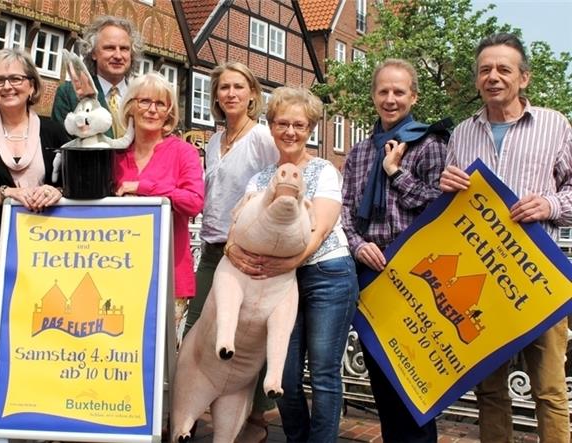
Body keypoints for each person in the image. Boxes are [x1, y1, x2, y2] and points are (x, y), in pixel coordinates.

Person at [439, 33, 572, 443]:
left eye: (503, 69)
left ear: (524, 78)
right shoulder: (462, 132)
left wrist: (548, 205)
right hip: (479, 280)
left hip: (538, 280)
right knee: (490, 389)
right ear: (477, 79)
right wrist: (445, 186)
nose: (493, 77)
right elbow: (448, 207)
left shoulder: (555, 124)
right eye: (485, 70)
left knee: (549, 390)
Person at [227, 86, 358, 442]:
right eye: (282, 123)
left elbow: (320, 228)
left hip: (326, 274)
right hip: (280, 284)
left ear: (310, 129)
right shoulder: (260, 179)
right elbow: (241, 226)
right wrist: (232, 252)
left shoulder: (324, 170)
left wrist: (289, 263)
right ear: (271, 127)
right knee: (283, 374)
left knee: (324, 371)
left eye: (299, 125)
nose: (290, 131)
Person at [0, 48, 68, 443]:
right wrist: (8, 193)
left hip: (47, 257)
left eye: (17, 78)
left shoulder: (55, 131)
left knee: (43, 336)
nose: (8, 86)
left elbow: (75, 182)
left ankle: (38, 426)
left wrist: (55, 192)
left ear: (33, 85)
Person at [341, 59, 449, 442]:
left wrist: (396, 174)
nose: (390, 99)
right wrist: (357, 246)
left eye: (399, 92)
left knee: (417, 384)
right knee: (382, 381)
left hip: (414, 278)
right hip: (371, 275)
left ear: (413, 96)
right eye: (383, 91)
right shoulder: (357, 153)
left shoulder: (430, 145)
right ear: (374, 96)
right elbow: (345, 213)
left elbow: (441, 208)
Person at [181, 61, 278, 443]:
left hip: (250, 253)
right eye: (224, 88)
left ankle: (255, 417)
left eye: (239, 87)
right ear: (216, 96)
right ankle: (186, 412)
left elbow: (278, 189)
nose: (231, 94)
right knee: (195, 333)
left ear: (252, 93)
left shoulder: (261, 138)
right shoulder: (215, 140)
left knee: (249, 337)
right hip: (212, 249)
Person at [112, 72, 205, 332]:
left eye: (160, 104)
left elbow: (194, 202)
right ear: (130, 106)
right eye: (144, 102)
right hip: (119, 273)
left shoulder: (183, 152)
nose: (152, 110)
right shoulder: (114, 155)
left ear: (169, 112)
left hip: (168, 273)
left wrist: (144, 187)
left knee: (161, 361)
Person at [51, 15, 142, 137]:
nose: (118, 56)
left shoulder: (141, 97)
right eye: (109, 48)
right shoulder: (69, 93)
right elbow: (63, 145)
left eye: (124, 49)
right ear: (93, 52)